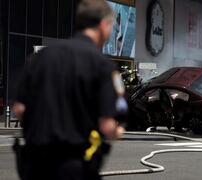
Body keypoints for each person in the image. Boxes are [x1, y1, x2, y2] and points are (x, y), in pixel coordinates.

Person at [12, 0, 125, 179]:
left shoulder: (40, 57)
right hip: (74, 165)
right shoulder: (102, 65)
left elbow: (19, 110)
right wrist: (118, 131)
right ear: (103, 25)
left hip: (35, 164)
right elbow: (107, 125)